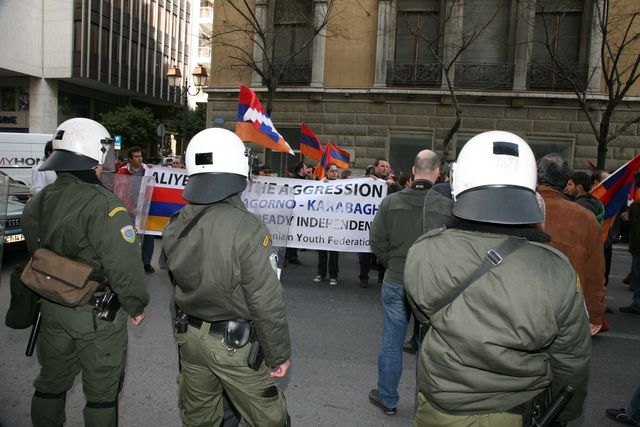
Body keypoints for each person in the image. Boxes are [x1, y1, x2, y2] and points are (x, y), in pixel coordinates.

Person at [404, 131, 591, 426]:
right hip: (517, 411)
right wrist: (564, 414)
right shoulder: (557, 270)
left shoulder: (424, 250)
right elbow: (571, 360)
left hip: (439, 406)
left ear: (459, 181)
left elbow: (424, 313)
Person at [21, 118, 149, 427]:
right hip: (96, 315)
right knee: (101, 394)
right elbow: (124, 265)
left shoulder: (38, 202)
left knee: (50, 385)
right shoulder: (106, 205)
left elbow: (35, 251)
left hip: (51, 309)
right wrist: (135, 304)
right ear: (95, 156)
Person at [162, 128, 291, 427]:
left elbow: (174, 282)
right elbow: (266, 302)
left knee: (200, 420)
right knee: (272, 419)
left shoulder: (176, 223)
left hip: (190, 339)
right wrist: (278, 354)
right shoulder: (248, 227)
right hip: (233, 347)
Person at [368, 150, 440, 416]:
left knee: (391, 340)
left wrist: (392, 263)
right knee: (431, 345)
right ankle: (426, 402)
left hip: (397, 278)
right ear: (437, 173)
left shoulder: (392, 202)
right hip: (432, 284)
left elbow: (376, 239)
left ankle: (387, 398)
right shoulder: (445, 207)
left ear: (413, 170)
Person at [537, 153, 607, 335]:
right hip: (568, 311)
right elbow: (595, 273)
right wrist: (594, 314)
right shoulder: (586, 218)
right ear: (566, 181)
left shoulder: (518, 207)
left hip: (519, 307)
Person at [359, 158, 401, 288]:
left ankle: (382, 277)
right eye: (382, 166)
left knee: (384, 250)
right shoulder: (366, 180)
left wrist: (393, 185)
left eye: (387, 167)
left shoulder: (390, 182)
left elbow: (404, 192)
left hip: (385, 223)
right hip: (367, 223)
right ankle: (363, 277)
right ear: (375, 167)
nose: (385, 169)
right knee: (365, 251)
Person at [117, 146, 155, 273]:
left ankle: (146, 263)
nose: (140, 159)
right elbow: (120, 193)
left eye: (141, 156)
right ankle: (129, 262)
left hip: (145, 208)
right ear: (130, 159)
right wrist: (130, 208)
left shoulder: (148, 171)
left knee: (148, 236)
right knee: (128, 236)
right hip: (129, 209)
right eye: (136, 156)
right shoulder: (122, 172)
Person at [315, 163, 341, 286]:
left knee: (334, 251)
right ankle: (321, 273)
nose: (334, 173)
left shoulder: (344, 185)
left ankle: (333, 275)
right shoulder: (322, 183)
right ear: (327, 172)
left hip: (336, 223)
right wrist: (320, 184)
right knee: (322, 250)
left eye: (336, 171)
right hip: (323, 222)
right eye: (332, 171)